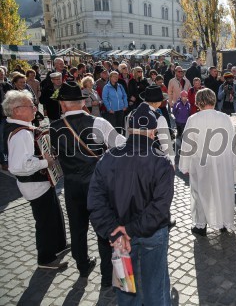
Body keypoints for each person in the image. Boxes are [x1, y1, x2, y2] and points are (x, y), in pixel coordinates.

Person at [88, 103, 175, 305]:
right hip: (152, 234)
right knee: (155, 288)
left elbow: (95, 202)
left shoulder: (107, 158)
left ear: (128, 130)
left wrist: (117, 231)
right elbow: (159, 208)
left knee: (125, 289)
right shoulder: (161, 161)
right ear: (153, 132)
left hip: (119, 238)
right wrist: (129, 230)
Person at [50, 82, 126, 285]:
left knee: (77, 227)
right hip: (97, 185)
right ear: (83, 102)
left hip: (72, 185)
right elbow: (121, 145)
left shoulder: (53, 128)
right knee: (105, 229)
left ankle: (83, 266)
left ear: (63, 105)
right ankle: (107, 277)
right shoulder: (98, 123)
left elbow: (54, 157)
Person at [3, 90, 68, 270]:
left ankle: (58, 246)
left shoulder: (21, 128)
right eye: (30, 106)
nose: (34, 108)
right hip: (34, 184)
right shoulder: (21, 133)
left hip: (40, 182)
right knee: (45, 221)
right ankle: (46, 258)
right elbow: (17, 166)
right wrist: (44, 162)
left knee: (54, 215)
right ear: (16, 110)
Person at [179, 88, 236, 236]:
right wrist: (233, 160)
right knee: (223, 190)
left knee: (201, 192)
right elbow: (232, 141)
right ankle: (224, 222)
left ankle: (201, 225)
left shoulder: (193, 119)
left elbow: (187, 144)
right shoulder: (225, 118)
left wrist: (184, 165)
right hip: (222, 161)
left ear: (198, 102)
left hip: (202, 162)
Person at [140, 85, 176, 169]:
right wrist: (172, 162)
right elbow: (166, 143)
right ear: (157, 102)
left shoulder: (132, 115)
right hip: (151, 159)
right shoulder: (159, 118)